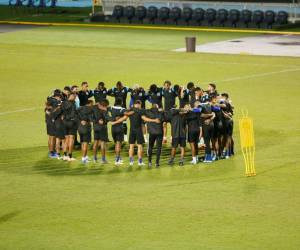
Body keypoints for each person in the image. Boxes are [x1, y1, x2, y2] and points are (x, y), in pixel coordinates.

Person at [125, 100, 160, 166]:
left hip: (131, 130)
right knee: (140, 146)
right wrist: (154, 120)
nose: (140, 106)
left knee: (131, 146)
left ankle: (131, 161)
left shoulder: (130, 110)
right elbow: (145, 119)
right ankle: (140, 162)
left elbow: (125, 117)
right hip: (138, 131)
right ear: (138, 104)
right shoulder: (140, 111)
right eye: (140, 105)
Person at [144, 103, 165, 168]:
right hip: (159, 132)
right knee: (159, 148)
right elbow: (163, 120)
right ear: (157, 107)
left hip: (151, 133)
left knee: (150, 147)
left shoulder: (148, 112)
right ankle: (157, 163)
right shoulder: (161, 113)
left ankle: (150, 162)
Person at [108, 98, 127, 165]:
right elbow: (126, 117)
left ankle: (119, 157)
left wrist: (111, 119)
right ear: (121, 102)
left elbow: (104, 110)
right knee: (119, 144)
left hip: (113, 128)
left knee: (116, 143)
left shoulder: (111, 108)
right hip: (119, 128)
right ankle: (117, 160)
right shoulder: (122, 109)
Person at [92, 99, 110, 164]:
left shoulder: (94, 108)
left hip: (95, 127)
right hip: (102, 128)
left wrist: (96, 121)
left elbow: (92, 117)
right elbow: (107, 119)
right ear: (104, 105)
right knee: (103, 143)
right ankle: (103, 159)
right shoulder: (104, 110)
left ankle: (94, 158)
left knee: (95, 142)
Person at [61, 93, 77, 161]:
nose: (74, 97)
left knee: (66, 139)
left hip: (64, 122)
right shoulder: (73, 104)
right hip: (71, 122)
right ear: (70, 96)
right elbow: (73, 114)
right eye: (73, 96)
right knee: (71, 139)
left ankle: (65, 155)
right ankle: (70, 156)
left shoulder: (63, 103)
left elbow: (61, 111)